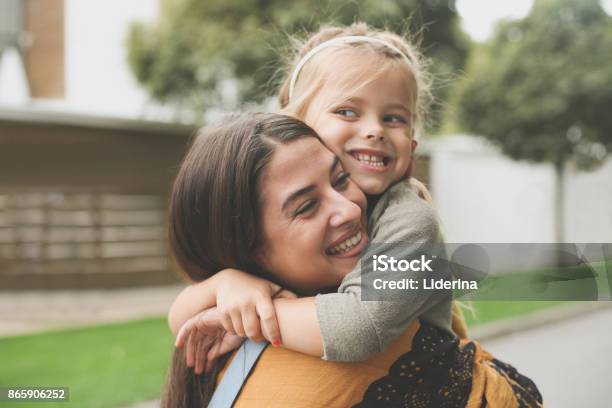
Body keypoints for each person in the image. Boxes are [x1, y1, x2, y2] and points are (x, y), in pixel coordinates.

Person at [168, 23, 543, 407]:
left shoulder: (410, 221)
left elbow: (359, 325)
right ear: (297, 125)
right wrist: (224, 286)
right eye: (348, 111)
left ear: (411, 146)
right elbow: (184, 322)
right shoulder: (269, 214)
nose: (374, 131)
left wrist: (263, 311)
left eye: (394, 119)